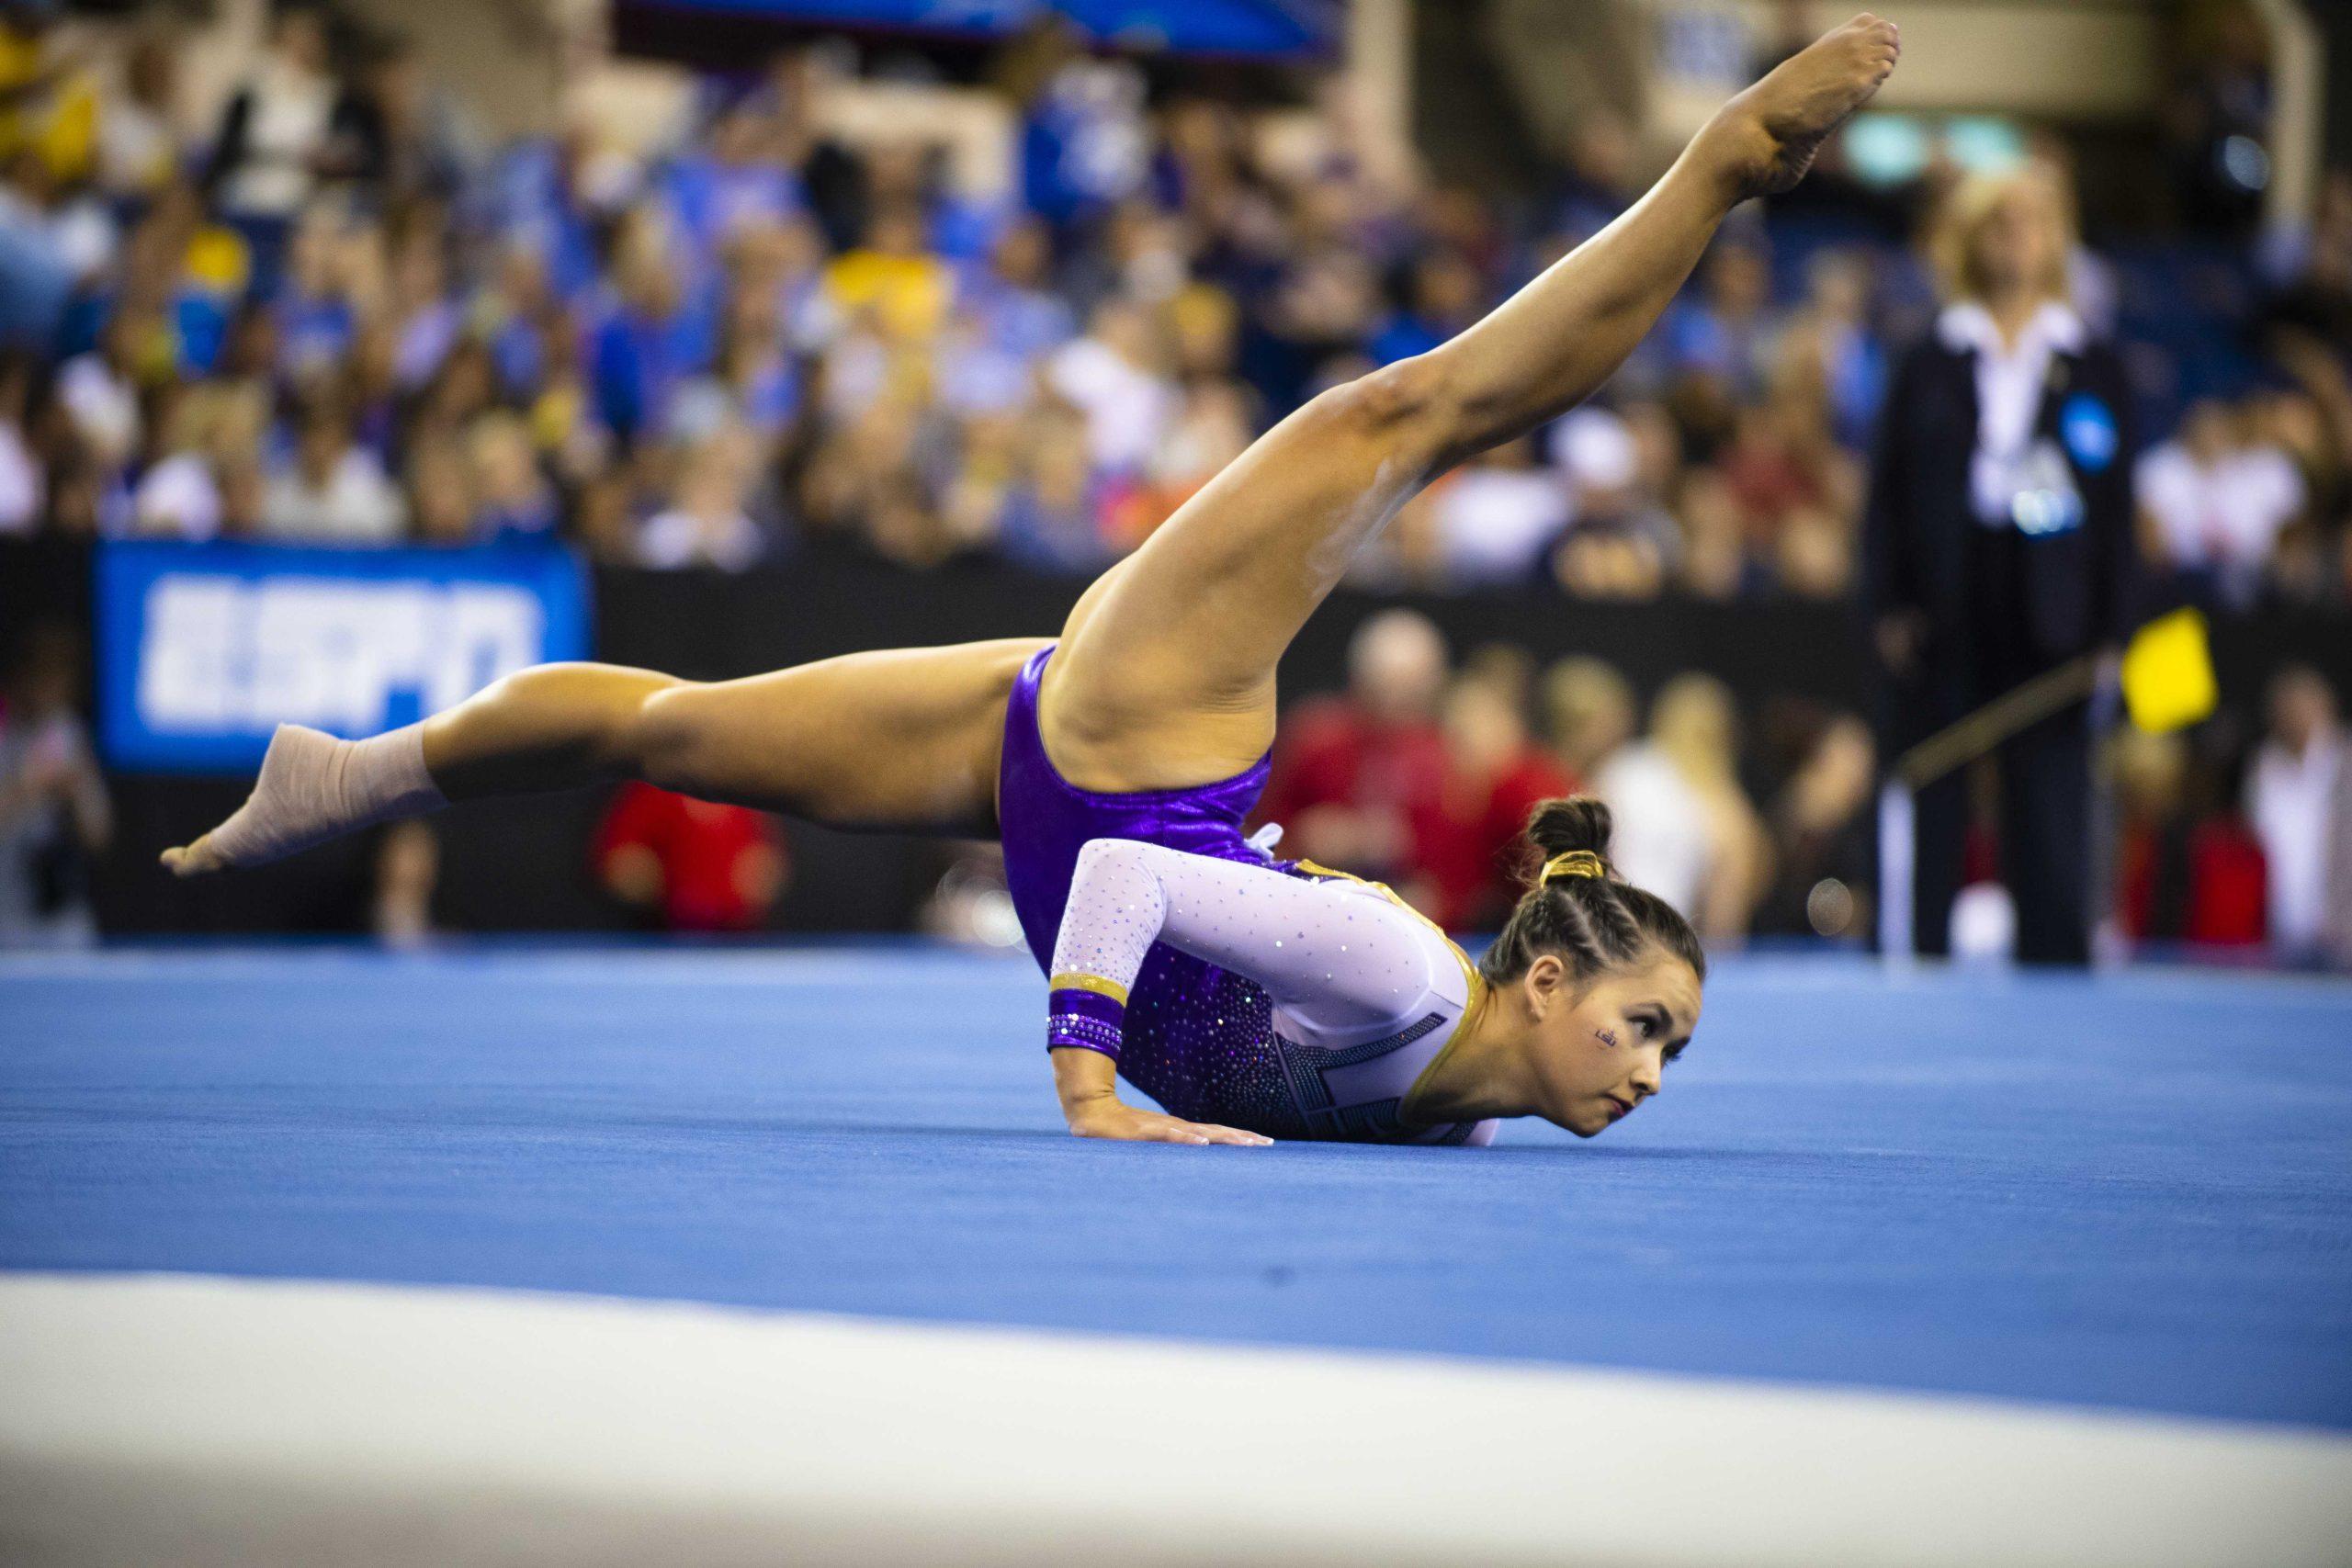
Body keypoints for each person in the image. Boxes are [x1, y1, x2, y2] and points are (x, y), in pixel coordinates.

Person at [162, 17, 1900, 1144]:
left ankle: (357, 770)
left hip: (1042, 761)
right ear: (1543, 984)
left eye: (1664, 1046)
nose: (1651, 1071)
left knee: (669, 730)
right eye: (1647, 1027)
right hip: (1145, 745)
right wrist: (1093, 1093)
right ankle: (1718, 165)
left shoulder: (1445, 1098)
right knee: (1415, 409)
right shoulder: (1405, 981)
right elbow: (1142, 882)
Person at [1863, 164, 2139, 966]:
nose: (2015, 235)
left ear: (2058, 236)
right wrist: (1884, 606)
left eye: (2033, 219)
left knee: (2051, 802)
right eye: (1998, 220)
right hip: (1946, 600)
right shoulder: (1930, 357)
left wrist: (2115, 629)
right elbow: (1886, 497)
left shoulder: (2091, 362)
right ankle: (1918, 971)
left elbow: (2118, 514)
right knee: (1936, 790)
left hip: (2053, 609)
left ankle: (2057, 973)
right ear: (1968, 238)